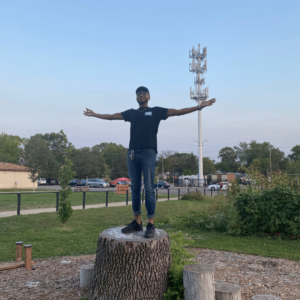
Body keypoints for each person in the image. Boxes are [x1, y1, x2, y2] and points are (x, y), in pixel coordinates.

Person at [83, 86, 216, 238]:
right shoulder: (132, 113)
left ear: (149, 97)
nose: (141, 95)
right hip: (132, 154)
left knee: (149, 188)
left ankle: (150, 224)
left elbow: (178, 112)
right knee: (134, 188)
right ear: (136, 97)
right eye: (138, 93)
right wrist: (95, 114)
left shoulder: (156, 111)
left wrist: (199, 107)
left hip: (148, 153)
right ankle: (137, 222)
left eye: (144, 93)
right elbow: (113, 116)